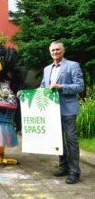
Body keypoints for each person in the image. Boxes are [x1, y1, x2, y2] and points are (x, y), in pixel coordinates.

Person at [40, 41, 84, 184]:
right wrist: (26, 94)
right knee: (57, 140)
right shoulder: (47, 69)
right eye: (53, 50)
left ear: (63, 51)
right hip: (52, 110)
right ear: (50, 52)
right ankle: (63, 166)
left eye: (58, 50)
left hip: (68, 109)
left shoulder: (72, 65)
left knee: (71, 140)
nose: (55, 52)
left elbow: (80, 86)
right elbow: (43, 87)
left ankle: (74, 172)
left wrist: (61, 86)